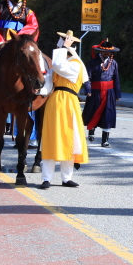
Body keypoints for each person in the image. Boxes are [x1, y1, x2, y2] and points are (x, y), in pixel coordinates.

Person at [39, 31, 88, 189]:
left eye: (63, 45)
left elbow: (59, 65)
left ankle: (66, 178)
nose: (59, 47)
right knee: (50, 138)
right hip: (55, 102)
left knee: (70, 140)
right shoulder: (61, 66)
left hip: (69, 103)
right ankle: (46, 178)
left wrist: (65, 47)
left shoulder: (75, 65)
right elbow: (46, 83)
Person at [83, 39, 121, 148]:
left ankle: (105, 140)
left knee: (107, 115)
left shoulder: (113, 63)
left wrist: (117, 94)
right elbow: (87, 78)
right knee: (93, 112)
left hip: (109, 93)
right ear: (100, 51)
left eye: (108, 53)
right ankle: (91, 131)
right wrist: (88, 90)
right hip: (95, 92)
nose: (106, 54)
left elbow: (116, 79)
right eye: (104, 52)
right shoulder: (92, 62)